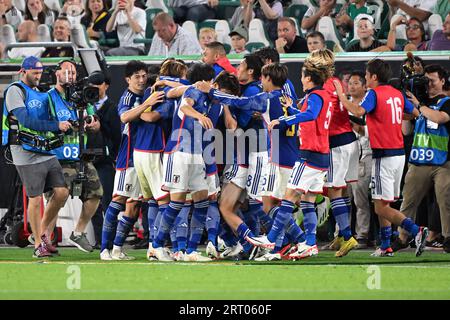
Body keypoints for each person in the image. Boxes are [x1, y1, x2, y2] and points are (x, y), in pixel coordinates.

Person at [246, 49, 336, 260]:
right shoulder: (325, 95)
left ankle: (272, 237)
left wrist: (284, 119)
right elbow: (311, 116)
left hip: (309, 155)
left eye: (303, 77)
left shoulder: (314, 96)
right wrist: (293, 111)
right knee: (308, 201)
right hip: (322, 156)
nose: (301, 80)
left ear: (309, 78)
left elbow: (311, 115)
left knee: (288, 198)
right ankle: (310, 243)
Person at [333, 58, 428, 257]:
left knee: (380, 207)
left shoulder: (374, 93)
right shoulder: (397, 93)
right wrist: (391, 117)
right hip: (399, 154)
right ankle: (386, 245)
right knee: (384, 203)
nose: (366, 79)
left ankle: (415, 231)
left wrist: (342, 96)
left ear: (374, 77)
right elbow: (416, 113)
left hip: (383, 155)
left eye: (367, 76)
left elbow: (359, 111)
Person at [2, 56, 71, 258]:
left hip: (44, 149)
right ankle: (38, 244)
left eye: (40, 73)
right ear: (23, 71)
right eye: (35, 73)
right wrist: (54, 126)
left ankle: (40, 232)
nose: (38, 77)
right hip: (24, 151)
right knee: (34, 198)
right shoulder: (16, 90)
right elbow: (25, 120)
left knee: (61, 192)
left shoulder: (41, 92)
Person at [149, 62, 216, 262]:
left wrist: (165, 82)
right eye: (212, 81)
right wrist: (199, 116)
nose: (213, 85)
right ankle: (157, 246)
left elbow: (173, 91)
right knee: (176, 203)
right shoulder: (194, 92)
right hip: (179, 153)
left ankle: (191, 251)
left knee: (202, 201)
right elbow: (186, 106)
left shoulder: (192, 90)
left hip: (196, 154)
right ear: (205, 81)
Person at [100, 61, 164, 260]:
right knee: (118, 200)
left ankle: (118, 249)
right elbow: (125, 117)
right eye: (137, 76)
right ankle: (104, 249)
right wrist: (146, 104)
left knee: (135, 205)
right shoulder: (128, 96)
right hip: (128, 157)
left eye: (144, 76)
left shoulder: (145, 94)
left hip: (143, 156)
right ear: (128, 79)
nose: (141, 80)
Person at [134, 59, 189, 260]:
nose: (185, 78)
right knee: (167, 201)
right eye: (183, 74)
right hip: (155, 150)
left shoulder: (151, 89)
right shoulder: (165, 96)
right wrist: (141, 111)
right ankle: (171, 247)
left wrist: (138, 109)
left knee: (152, 202)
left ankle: (152, 245)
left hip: (140, 151)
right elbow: (150, 117)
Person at [45, 60, 103, 253]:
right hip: (58, 157)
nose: (70, 75)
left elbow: (94, 120)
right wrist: (62, 124)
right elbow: (45, 124)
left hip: (80, 156)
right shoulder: (49, 98)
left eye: (73, 72)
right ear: (57, 74)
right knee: (57, 199)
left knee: (95, 193)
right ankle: (43, 239)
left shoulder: (81, 97)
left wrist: (92, 124)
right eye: (66, 71)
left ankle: (78, 232)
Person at [396, 64, 450, 254]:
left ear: (443, 81)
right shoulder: (421, 103)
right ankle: (402, 237)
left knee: (446, 200)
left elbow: (439, 118)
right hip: (419, 160)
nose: (429, 85)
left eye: (432, 81)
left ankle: (448, 237)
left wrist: (418, 104)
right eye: (425, 81)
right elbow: (406, 130)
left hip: (443, 162)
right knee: (408, 201)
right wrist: (406, 104)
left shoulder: (446, 101)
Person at [86, 71, 121, 249]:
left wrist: (101, 127)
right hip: (87, 158)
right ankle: (100, 239)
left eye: (98, 83)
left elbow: (116, 136)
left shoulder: (112, 107)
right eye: (92, 84)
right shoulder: (84, 106)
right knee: (91, 200)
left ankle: (111, 240)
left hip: (105, 160)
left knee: (107, 201)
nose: (95, 87)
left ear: (106, 85)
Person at [346, 71, 372, 249]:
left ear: (364, 86)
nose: (352, 86)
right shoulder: (343, 104)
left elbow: (371, 131)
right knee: (342, 198)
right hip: (344, 155)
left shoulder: (368, 104)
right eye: (350, 83)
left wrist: (357, 127)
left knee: (360, 198)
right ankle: (343, 235)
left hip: (365, 154)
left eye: (356, 83)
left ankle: (362, 235)